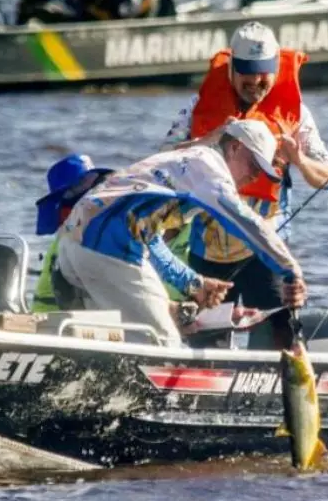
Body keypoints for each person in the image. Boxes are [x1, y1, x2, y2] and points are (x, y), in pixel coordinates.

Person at [159, 22, 328, 351]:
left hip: (264, 256)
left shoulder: (296, 115)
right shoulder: (198, 108)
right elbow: (161, 161)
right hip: (207, 253)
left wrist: (297, 159)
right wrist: (209, 139)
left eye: (263, 75)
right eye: (247, 75)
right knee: (204, 348)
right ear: (230, 70)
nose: (255, 83)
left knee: (282, 344)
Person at [56, 119, 308, 346]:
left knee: (111, 338)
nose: (255, 176)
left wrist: (193, 282)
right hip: (104, 249)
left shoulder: (180, 163)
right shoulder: (209, 168)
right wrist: (290, 269)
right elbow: (247, 222)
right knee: (164, 343)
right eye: (254, 165)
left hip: (73, 245)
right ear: (235, 147)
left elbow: (144, 235)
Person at [31, 154, 114, 313]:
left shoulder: (77, 228)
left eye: (96, 181)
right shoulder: (79, 232)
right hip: (53, 318)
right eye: (85, 184)